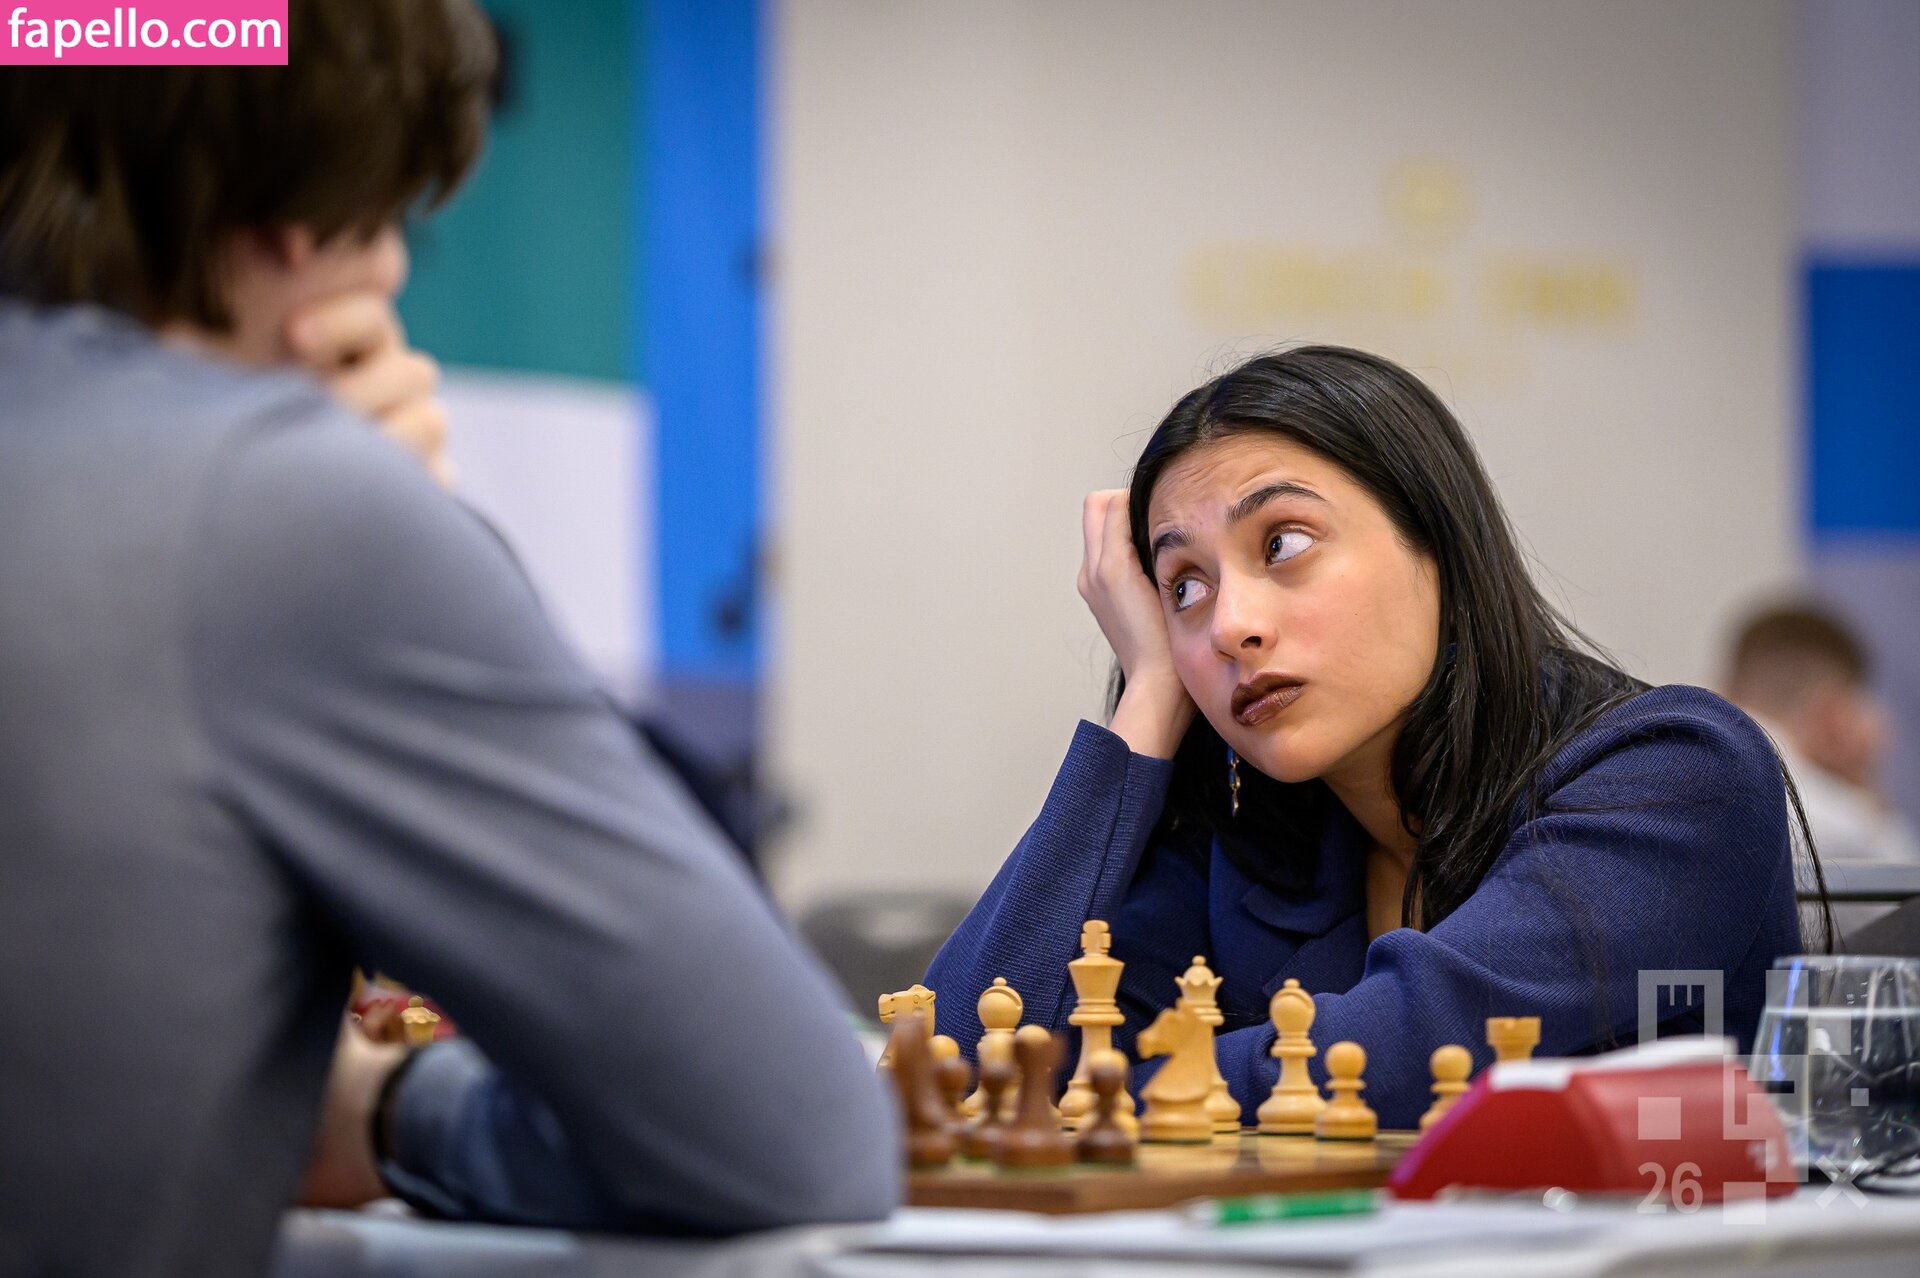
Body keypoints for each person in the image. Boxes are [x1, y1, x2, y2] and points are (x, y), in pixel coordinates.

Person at [0, 5, 896, 1276]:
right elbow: (796, 1135)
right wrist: (379, 1112)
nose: (391, 275)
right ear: (298, 225)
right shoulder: (269, 505)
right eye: (388, 218)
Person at [928, 347, 1826, 1130]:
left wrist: (1091, 1092)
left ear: (1437, 545)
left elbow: (1412, 1053)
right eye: (1185, 589)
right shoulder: (1245, 845)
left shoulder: (1675, 775)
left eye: (1283, 544)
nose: (1230, 625)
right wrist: (1149, 703)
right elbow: (955, 1069)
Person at [1724, 603, 1918, 866]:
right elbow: (1903, 876)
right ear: (1831, 714)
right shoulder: (1827, 821)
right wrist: (1864, 790)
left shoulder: (1686, 756)